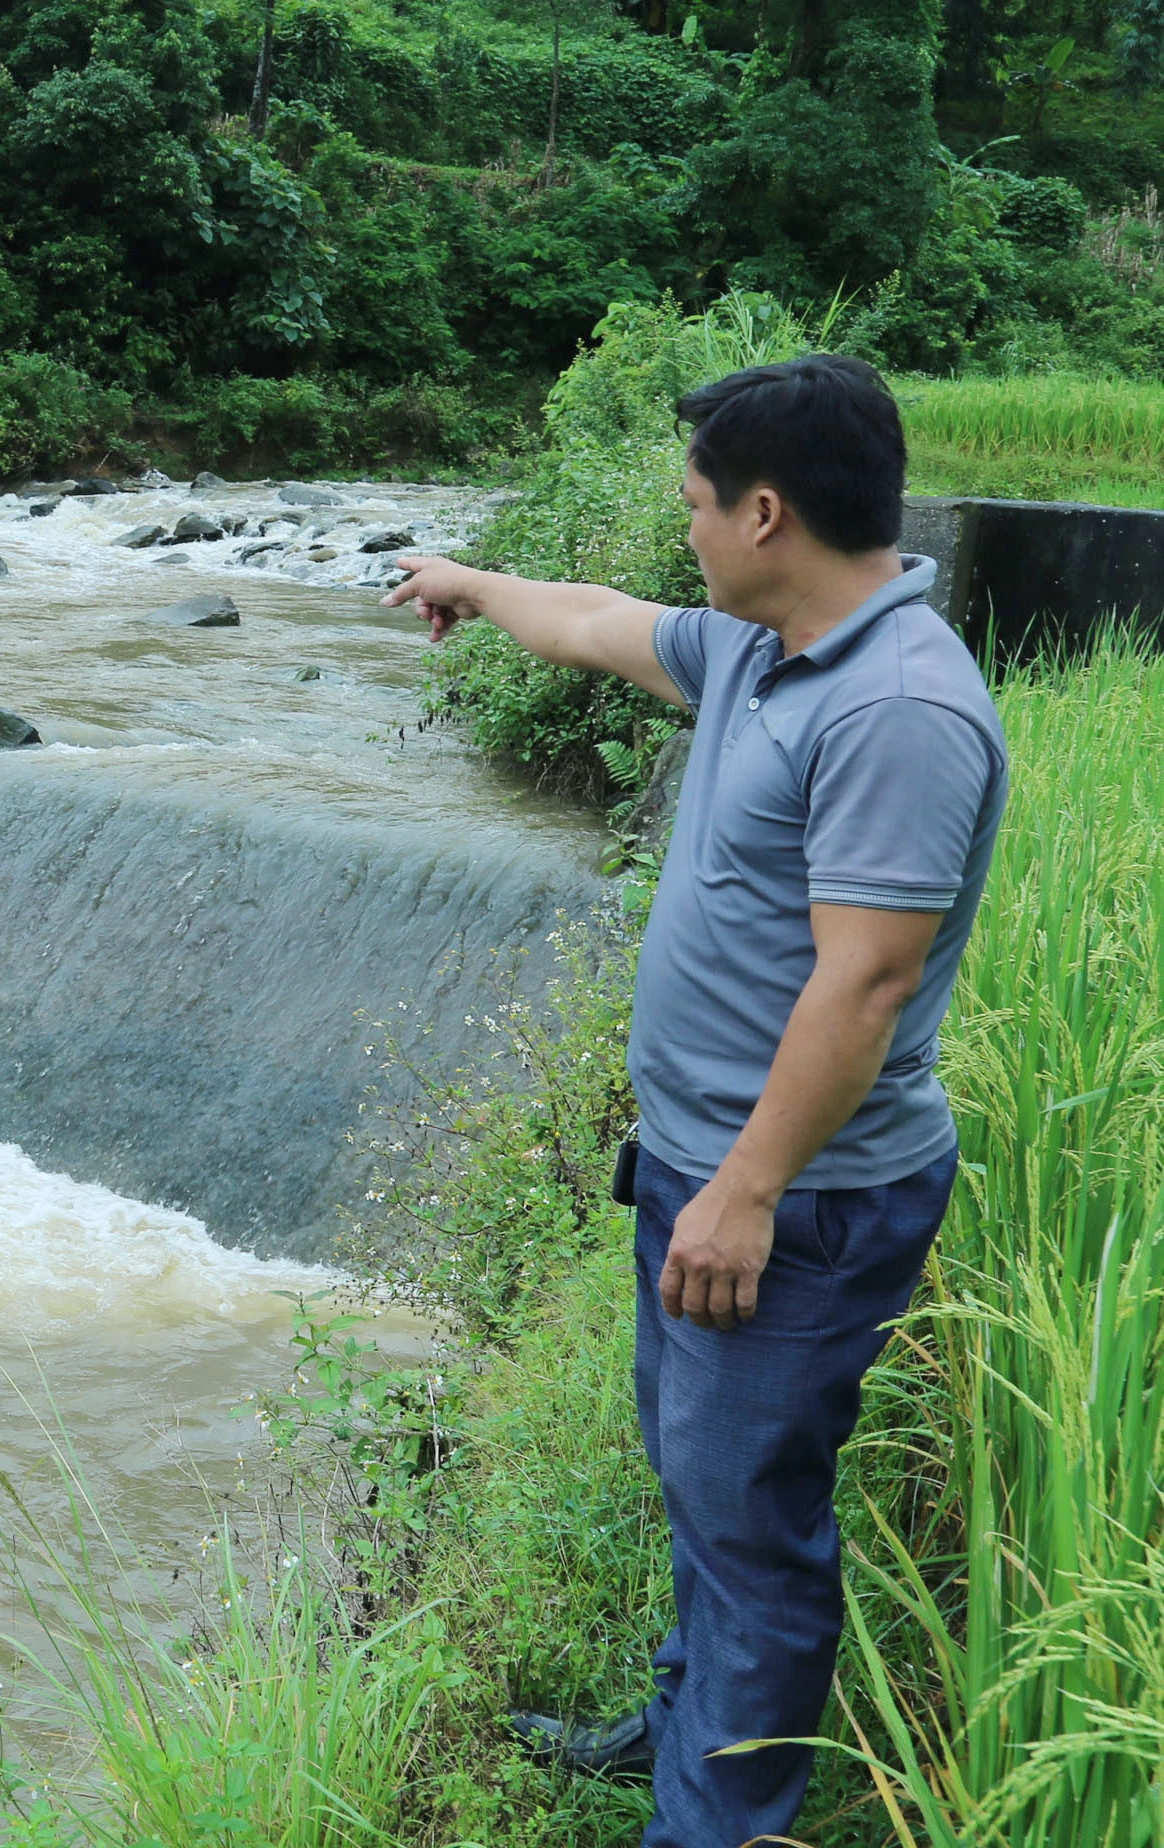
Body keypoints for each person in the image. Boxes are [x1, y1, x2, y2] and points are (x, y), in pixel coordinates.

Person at [383, 354, 1008, 1848]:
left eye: (696, 508)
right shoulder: (762, 646)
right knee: (701, 1482)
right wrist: (472, 580)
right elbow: (597, 626)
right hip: (701, 1168)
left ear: (768, 514)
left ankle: (716, 1824)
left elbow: (861, 990)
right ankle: (680, 1730)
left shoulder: (899, 711)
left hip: (795, 1200)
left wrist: (745, 1188)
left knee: (749, 1524)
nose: (688, 535)